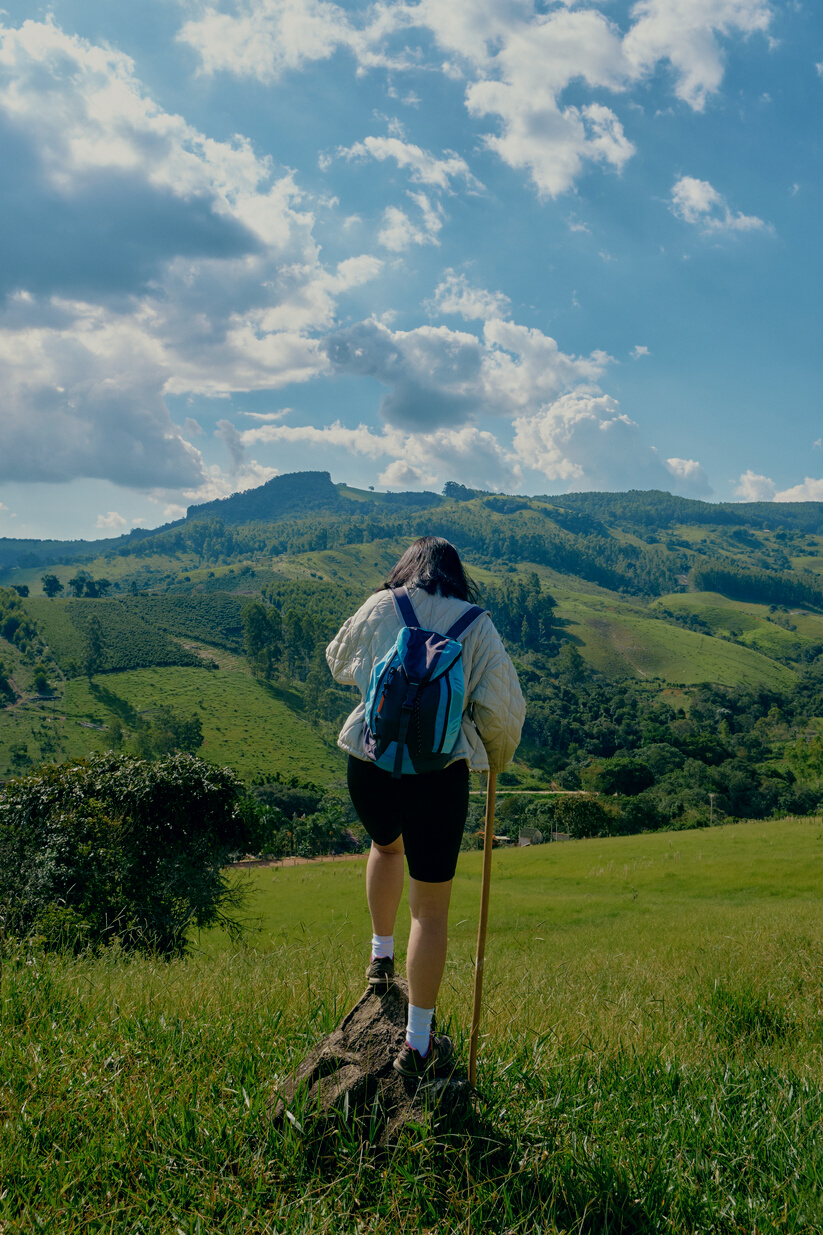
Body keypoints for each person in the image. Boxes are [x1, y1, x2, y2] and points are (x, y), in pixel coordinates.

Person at [326, 536, 525, 1079]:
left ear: (406, 568)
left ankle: (379, 958)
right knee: (431, 909)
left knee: (384, 848)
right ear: (458, 577)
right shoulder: (476, 624)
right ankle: (416, 1043)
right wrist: (491, 757)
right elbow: (502, 716)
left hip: (370, 765)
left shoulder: (379, 605)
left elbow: (338, 661)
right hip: (439, 777)